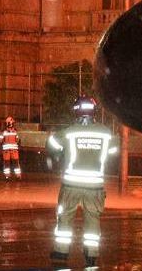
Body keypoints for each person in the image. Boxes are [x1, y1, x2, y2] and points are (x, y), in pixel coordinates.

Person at [48, 95, 117, 267]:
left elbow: (52, 144)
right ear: (94, 112)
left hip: (71, 185)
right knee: (93, 221)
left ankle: (61, 252)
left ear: (76, 112)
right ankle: (91, 255)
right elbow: (114, 152)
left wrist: (61, 155)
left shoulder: (70, 131)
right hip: (95, 187)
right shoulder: (106, 133)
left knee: (65, 218)